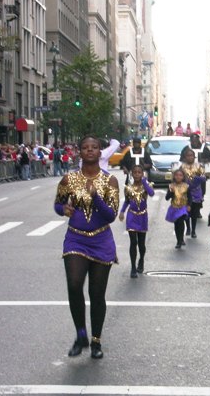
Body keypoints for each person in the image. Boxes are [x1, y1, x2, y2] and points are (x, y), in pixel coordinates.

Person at [54, 136, 119, 359]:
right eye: (85, 147)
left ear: (100, 152)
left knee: (96, 293)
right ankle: (81, 334)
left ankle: (96, 341)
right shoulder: (69, 179)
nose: (90, 150)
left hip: (101, 240)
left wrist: (96, 197)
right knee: (74, 285)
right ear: (79, 152)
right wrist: (63, 210)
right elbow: (58, 204)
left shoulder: (110, 181)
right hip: (76, 239)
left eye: (94, 147)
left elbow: (111, 215)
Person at [118, 165, 155, 278]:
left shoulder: (146, 186)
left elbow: (151, 193)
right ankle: (133, 267)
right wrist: (122, 211)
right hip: (132, 216)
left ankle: (141, 260)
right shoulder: (128, 187)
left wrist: (144, 182)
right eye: (135, 172)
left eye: (139, 172)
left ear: (142, 174)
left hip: (142, 216)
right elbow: (127, 201)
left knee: (141, 243)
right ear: (132, 174)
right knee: (133, 242)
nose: (137, 174)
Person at [179, 146, 206, 238]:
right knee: (186, 212)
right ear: (185, 157)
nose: (190, 157)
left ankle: (193, 230)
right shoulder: (182, 167)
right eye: (188, 155)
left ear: (194, 157)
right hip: (185, 193)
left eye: (191, 155)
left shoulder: (199, 166)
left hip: (196, 193)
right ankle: (188, 228)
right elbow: (178, 177)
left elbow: (203, 177)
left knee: (194, 213)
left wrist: (196, 178)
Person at [165, 168, 191, 249]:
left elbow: (190, 197)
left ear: (183, 177)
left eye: (180, 175)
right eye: (176, 175)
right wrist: (171, 192)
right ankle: (178, 240)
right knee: (176, 224)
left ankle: (181, 240)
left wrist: (189, 205)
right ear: (174, 176)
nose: (178, 177)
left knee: (180, 222)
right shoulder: (171, 186)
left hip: (183, 207)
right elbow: (167, 198)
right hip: (174, 207)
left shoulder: (186, 186)